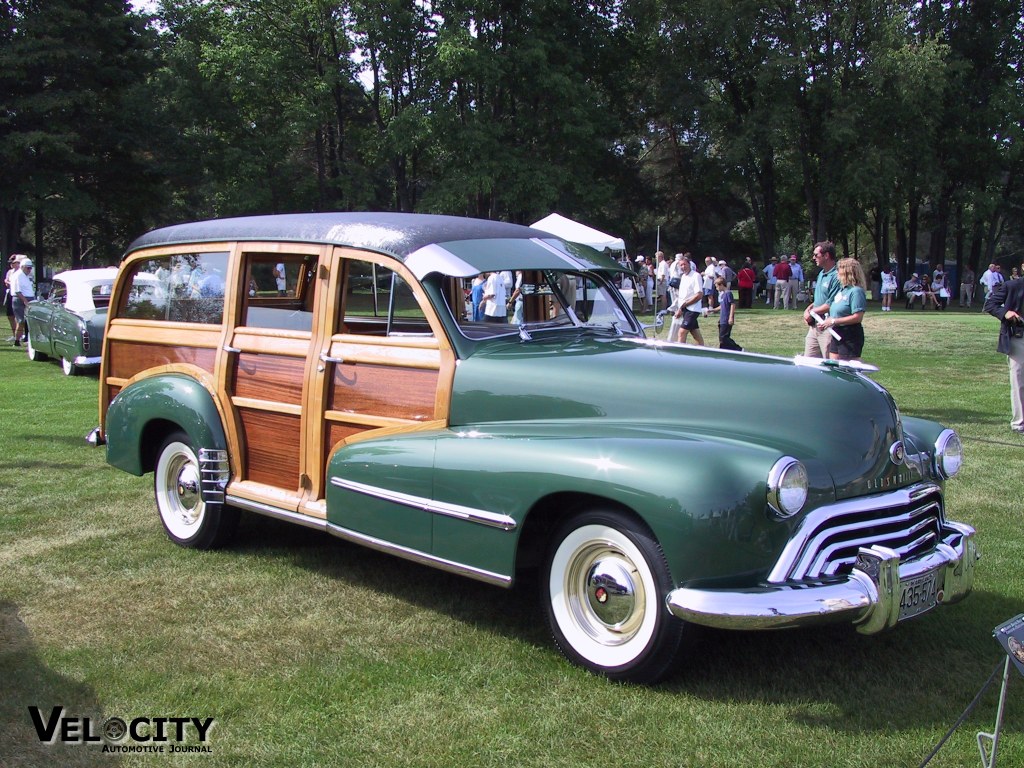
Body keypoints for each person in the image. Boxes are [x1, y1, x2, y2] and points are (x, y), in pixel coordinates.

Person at [984, 276, 1024, 434]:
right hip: (1018, 337)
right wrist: (1006, 312)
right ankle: (1019, 423)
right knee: (1019, 381)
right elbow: (990, 304)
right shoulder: (1012, 286)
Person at [816, 257, 867, 361]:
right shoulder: (842, 290)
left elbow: (858, 317)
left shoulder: (856, 291)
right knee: (834, 366)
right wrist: (826, 322)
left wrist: (833, 321)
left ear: (847, 272)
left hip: (850, 335)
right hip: (837, 332)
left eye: (839, 270)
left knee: (847, 369)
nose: (837, 273)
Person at [802, 241, 842, 358]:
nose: (813, 258)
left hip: (827, 327)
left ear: (826, 255)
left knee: (829, 364)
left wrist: (812, 312)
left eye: (816, 255)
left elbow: (831, 303)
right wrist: (807, 310)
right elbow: (818, 300)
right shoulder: (821, 274)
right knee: (808, 364)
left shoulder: (836, 276)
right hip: (814, 327)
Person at [672, 254, 704, 345]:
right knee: (695, 333)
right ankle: (702, 351)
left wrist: (685, 305)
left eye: (684, 264)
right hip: (685, 309)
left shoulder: (696, 276)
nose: (683, 267)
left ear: (689, 264)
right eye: (681, 265)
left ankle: (680, 354)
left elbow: (699, 295)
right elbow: (683, 296)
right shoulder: (683, 277)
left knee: (682, 332)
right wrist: (680, 309)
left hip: (693, 309)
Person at [706, 277, 742, 350]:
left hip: (726, 319)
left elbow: (732, 304)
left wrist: (731, 317)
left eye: (716, 286)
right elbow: (722, 306)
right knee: (721, 338)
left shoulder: (728, 293)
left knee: (724, 337)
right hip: (722, 319)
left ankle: (738, 349)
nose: (716, 288)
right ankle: (724, 350)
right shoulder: (722, 295)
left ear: (721, 285)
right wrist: (712, 310)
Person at [11, 257, 35, 346]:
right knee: (20, 320)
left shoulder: (26, 276)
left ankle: (28, 338)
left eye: (30, 268)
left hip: (28, 298)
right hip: (20, 299)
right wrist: (25, 301)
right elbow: (17, 291)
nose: (29, 270)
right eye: (28, 268)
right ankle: (17, 341)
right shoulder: (18, 275)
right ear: (22, 267)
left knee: (30, 320)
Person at [4, 254, 22, 341]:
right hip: (10, 294)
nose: (11, 264)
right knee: (10, 315)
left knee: (18, 316)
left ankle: (21, 335)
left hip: (18, 295)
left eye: (13, 262)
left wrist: (11, 283)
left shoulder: (21, 272)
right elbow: (6, 281)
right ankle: (14, 334)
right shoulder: (10, 272)